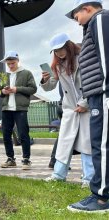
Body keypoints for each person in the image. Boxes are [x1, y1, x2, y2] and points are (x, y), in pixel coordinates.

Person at [66, 0, 109, 212]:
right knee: (101, 142)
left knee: (101, 144)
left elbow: (105, 55)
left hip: (103, 94)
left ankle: (101, 198)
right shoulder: (92, 25)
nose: (76, 22)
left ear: (88, 9)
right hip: (97, 94)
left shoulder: (100, 20)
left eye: (76, 17)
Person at [41, 33, 94, 188]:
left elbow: (92, 81)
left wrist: (85, 103)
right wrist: (44, 79)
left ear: (68, 45)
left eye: (61, 48)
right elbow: (51, 85)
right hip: (70, 109)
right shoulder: (58, 65)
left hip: (86, 107)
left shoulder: (83, 58)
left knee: (87, 143)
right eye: (55, 51)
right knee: (64, 143)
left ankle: (89, 178)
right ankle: (58, 175)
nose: (59, 53)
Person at [0, 51, 37, 170]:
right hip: (6, 108)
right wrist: (2, 92)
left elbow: (33, 89)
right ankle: (10, 159)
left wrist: (16, 89)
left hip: (20, 108)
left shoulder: (26, 73)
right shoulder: (4, 75)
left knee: (23, 134)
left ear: (18, 61)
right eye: (8, 63)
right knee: (6, 134)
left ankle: (26, 160)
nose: (11, 66)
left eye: (13, 63)